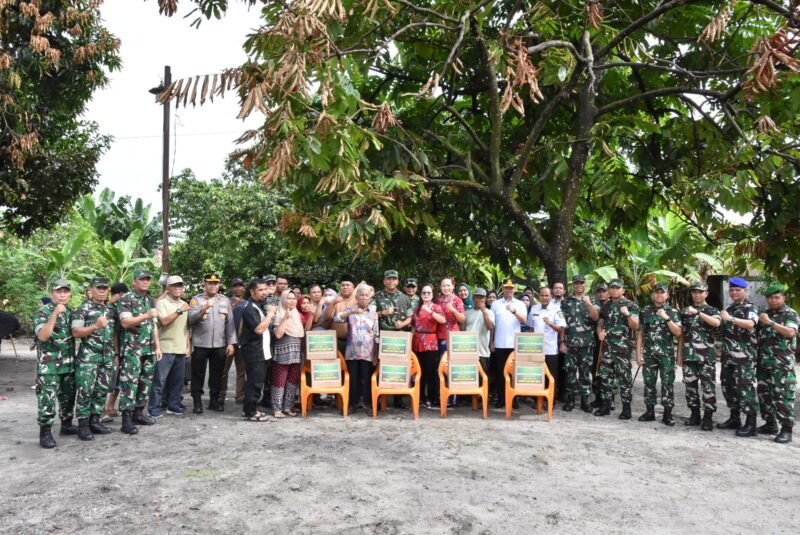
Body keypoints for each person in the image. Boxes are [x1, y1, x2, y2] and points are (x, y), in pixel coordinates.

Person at [71, 277, 117, 441]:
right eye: (99, 288)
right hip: (89, 358)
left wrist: (115, 354)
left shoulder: (110, 310)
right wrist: (95, 326)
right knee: (85, 391)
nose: (102, 291)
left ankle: (95, 421)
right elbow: (76, 332)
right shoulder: (82, 309)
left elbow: (114, 334)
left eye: (105, 288)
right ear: (91, 290)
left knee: (101, 390)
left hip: (107, 357)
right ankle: (83, 425)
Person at [33, 278, 77, 448]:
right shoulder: (43, 312)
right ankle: (45, 433)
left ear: (70, 294)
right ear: (52, 293)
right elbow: (43, 337)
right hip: (49, 366)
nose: (62, 295)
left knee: (68, 397)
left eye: (66, 291)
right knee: (47, 400)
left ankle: (66, 425)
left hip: (68, 364)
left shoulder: (71, 312)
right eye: (59, 291)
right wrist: (55, 314)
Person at [118, 270, 162, 434]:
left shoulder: (149, 300)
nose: (145, 282)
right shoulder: (126, 299)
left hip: (149, 349)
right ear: (134, 282)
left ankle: (138, 413)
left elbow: (153, 324)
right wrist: (145, 315)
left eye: (147, 279)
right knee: (130, 383)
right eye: (142, 279)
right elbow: (125, 322)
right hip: (133, 349)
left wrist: (157, 346)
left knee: (145, 383)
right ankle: (126, 420)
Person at [187, 273, 237, 414]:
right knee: (198, 374)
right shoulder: (196, 300)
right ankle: (197, 402)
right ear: (205, 284)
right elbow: (191, 319)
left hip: (219, 344)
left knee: (217, 374)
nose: (213, 286)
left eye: (216, 283)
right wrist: (203, 309)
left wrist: (231, 343)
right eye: (210, 283)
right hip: (200, 344)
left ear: (219, 285)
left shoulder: (224, 300)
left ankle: (214, 401)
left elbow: (230, 323)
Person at [755, 283, 798, 444]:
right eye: (770, 298)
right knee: (764, 394)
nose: (773, 300)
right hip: (764, 362)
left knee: (783, 396)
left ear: (783, 298)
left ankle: (786, 429)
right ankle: (770, 424)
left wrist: (770, 323)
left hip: (782, 364)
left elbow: (790, 332)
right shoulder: (765, 314)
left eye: (776, 297)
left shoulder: (790, 314)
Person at [635, 282, 681, 426]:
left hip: (666, 355)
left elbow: (678, 332)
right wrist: (638, 355)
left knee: (667, 384)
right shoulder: (645, 311)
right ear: (652, 294)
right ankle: (650, 412)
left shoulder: (673, 312)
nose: (659, 295)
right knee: (649, 383)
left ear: (667, 295)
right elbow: (640, 334)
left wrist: (666, 317)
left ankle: (667, 414)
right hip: (649, 355)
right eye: (657, 292)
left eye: (662, 292)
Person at [718, 277, 759, 436]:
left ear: (745, 291)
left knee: (745, 388)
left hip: (744, 358)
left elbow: (750, 324)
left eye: (737, 290)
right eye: (732, 290)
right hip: (728, 356)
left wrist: (731, 319)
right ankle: (734, 418)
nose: (734, 292)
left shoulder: (750, 307)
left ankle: (751, 423)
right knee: (728, 386)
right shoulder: (729, 308)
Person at [678, 280, 721, 430]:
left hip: (706, 357)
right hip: (689, 356)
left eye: (700, 292)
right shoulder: (684, 312)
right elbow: (682, 334)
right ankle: (694, 414)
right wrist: (679, 354)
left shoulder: (712, 310)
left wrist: (698, 313)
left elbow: (716, 323)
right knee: (690, 387)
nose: (697, 295)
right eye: (694, 292)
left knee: (708, 387)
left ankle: (708, 417)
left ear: (706, 294)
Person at [595, 278, 639, 419]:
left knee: (624, 379)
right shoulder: (606, 306)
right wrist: (600, 333)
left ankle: (626, 409)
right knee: (605, 377)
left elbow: (635, 326)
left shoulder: (631, 305)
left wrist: (627, 314)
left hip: (622, 349)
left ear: (623, 290)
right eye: (612, 288)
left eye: (617, 288)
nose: (614, 290)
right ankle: (606, 406)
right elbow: (600, 323)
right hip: (607, 348)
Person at [149, 275, 190, 418]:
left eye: (180, 285)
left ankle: (173, 405)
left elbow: (186, 328)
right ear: (168, 288)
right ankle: (153, 408)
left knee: (177, 381)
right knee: (159, 381)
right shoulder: (162, 303)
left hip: (180, 348)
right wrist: (179, 311)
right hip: (165, 348)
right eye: (174, 286)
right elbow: (164, 322)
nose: (178, 288)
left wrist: (187, 346)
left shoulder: (184, 304)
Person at [335, 283, 379, 412]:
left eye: (366, 295)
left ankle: (368, 404)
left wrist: (376, 353)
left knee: (367, 378)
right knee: (353, 378)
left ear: (370, 298)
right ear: (357, 297)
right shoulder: (351, 310)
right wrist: (352, 312)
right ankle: (352, 404)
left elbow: (376, 333)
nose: (364, 297)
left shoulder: (373, 312)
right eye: (361, 295)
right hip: (352, 352)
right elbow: (336, 318)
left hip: (368, 352)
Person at [560, 274, 600, 412]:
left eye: (581, 283)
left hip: (587, 344)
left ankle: (585, 401)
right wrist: (562, 342)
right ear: (573, 285)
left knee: (585, 373)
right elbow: (562, 324)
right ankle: (570, 400)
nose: (579, 285)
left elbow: (596, 317)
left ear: (585, 285)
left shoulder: (592, 299)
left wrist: (588, 303)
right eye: (576, 283)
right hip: (570, 344)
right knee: (570, 373)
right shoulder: (566, 302)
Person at [238, 278, 276, 422]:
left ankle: (249, 408)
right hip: (254, 351)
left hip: (262, 350)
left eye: (265, 289)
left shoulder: (259, 306)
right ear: (252, 292)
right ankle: (251, 412)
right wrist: (270, 314)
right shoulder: (249, 308)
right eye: (260, 290)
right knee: (254, 382)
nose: (264, 292)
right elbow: (259, 329)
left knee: (256, 381)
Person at [375, 269, 413, 408]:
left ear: (397, 281)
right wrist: (383, 313)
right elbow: (370, 314)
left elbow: (410, 317)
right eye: (389, 279)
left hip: (399, 337)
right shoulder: (377, 296)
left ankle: (398, 399)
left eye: (394, 279)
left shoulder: (404, 298)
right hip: (383, 337)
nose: (391, 281)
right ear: (384, 281)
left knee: (398, 368)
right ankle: (380, 398)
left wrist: (402, 324)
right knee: (381, 367)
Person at [490, 279, 526, 408]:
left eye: (511, 288)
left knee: (514, 372)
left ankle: (514, 399)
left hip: (514, 344)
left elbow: (524, 321)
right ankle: (501, 398)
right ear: (503, 289)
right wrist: (491, 342)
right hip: (499, 343)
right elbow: (493, 326)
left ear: (514, 289)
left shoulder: (520, 304)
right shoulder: (495, 304)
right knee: (500, 372)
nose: (509, 290)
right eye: (506, 288)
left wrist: (514, 311)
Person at [527, 287, 566, 403]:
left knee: (551, 376)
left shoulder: (556, 309)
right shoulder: (534, 308)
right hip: (536, 349)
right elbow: (531, 327)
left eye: (547, 295)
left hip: (550, 349)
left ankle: (551, 400)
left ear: (551, 296)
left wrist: (550, 323)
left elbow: (561, 329)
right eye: (542, 295)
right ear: (539, 296)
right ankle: (538, 400)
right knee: (537, 375)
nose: (544, 298)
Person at [412, 284, 447, 409]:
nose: (426, 295)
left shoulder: (436, 307)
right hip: (417, 341)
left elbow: (443, 320)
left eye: (428, 293)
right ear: (421, 294)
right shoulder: (416, 308)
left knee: (430, 372)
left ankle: (432, 398)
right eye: (424, 292)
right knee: (418, 371)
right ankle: (420, 397)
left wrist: (430, 312)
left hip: (430, 341)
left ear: (432, 295)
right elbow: (413, 326)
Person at [271, 291, 305, 418]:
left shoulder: (296, 314)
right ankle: (277, 409)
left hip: (295, 352)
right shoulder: (279, 313)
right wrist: (285, 317)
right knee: (279, 381)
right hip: (283, 353)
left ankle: (287, 407)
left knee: (292, 381)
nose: (292, 301)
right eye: (289, 298)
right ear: (283, 299)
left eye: (294, 298)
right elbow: (278, 334)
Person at [100, 282, 128, 423]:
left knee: (118, 381)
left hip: (122, 350)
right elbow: (114, 334)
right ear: (120, 294)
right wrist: (116, 354)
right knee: (105, 381)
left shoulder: (119, 308)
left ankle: (110, 407)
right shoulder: (107, 309)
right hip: (107, 351)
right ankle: (101, 411)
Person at [437, 277, 466, 407]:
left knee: (453, 367)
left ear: (453, 286)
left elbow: (462, 319)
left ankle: (453, 397)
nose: (446, 288)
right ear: (440, 287)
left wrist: (453, 309)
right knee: (442, 366)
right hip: (440, 336)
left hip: (454, 337)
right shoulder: (438, 300)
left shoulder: (457, 300)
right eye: (444, 286)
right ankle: (442, 395)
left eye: (448, 285)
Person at [219, 278, 247, 406]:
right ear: (232, 288)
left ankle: (240, 395)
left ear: (244, 288)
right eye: (235, 286)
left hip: (242, 341)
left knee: (241, 371)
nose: (238, 288)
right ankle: (221, 395)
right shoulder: (226, 302)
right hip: (228, 341)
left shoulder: (247, 303)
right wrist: (232, 306)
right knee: (223, 370)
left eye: (240, 286)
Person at [465, 287, 495, 390]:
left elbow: (490, 327)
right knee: (469, 378)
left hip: (482, 351)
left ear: (485, 299)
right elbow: (462, 330)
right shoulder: (467, 313)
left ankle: (482, 397)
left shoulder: (489, 312)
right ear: (473, 298)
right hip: (468, 351)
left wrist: (484, 312)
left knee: (483, 379)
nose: (479, 300)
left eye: (482, 298)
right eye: (477, 297)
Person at [325, 275, 357, 356]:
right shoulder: (335, 300)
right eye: (343, 285)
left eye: (348, 285)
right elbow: (327, 317)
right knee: (339, 363)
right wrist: (333, 303)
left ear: (353, 287)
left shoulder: (358, 300)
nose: (345, 287)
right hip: (338, 340)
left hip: (355, 342)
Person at [591, 282, 610, 408]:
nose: (601, 293)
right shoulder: (595, 305)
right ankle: (598, 397)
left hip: (610, 344)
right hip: (595, 342)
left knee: (609, 371)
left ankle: (609, 399)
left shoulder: (613, 305)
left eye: (604, 291)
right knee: (596, 370)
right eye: (599, 291)